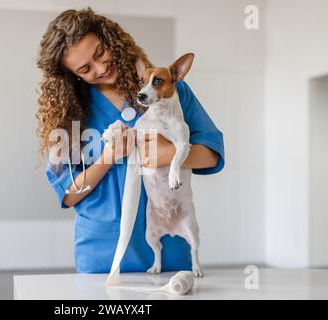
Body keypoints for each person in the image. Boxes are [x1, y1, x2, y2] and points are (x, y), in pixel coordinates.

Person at [35, 8, 225, 273]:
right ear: (72, 75)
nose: (101, 67)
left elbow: (212, 155)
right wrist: (107, 158)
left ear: (111, 40)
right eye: (86, 68)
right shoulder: (69, 116)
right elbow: (68, 194)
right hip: (104, 252)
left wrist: (168, 154)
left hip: (168, 246)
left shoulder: (169, 90)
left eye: (100, 52)